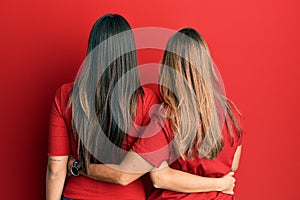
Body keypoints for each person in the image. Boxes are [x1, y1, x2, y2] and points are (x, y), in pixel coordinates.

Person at [67, 27, 242, 199]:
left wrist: (78, 166)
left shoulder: (168, 116)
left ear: (170, 69)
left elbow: (156, 177)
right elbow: (232, 165)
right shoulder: (231, 112)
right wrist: (219, 184)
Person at [46, 14, 159, 200]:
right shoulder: (147, 101)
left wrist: (76, 166)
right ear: (129, 52)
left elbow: (55, 169)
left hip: (77, 195)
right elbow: (135, 172)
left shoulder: (66, 96)